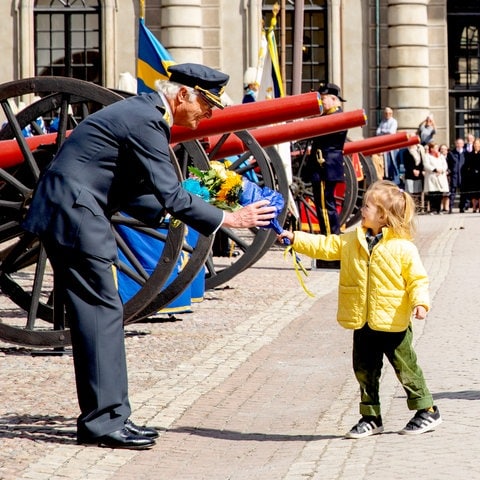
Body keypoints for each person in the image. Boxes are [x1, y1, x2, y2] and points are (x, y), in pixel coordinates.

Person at [22, 63, 276, 450]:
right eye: (205, 104)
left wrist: (179, 211)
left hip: (76, 211)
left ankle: (112, 415)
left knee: (103, 316)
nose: (208, 114)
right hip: (74, 215)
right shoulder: (146, 119)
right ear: (182, 95)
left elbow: (138, 191)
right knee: (100, 316)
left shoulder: (142, 114)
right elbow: (170, 194)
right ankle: (103, 422)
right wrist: (230, 218)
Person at [278, 180, 442, 438]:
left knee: (406, 369)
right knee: (364, 371)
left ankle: (427, 410)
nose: (362, 208)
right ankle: (371, 417)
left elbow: (417, 280)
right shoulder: (352, 240)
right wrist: (295, 238)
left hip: (393, 322)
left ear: (383, 216)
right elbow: (326, 246)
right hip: (362, 320)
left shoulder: (403, 247)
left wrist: (421, 302)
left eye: (367, 206)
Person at [301, 82, 347, 268]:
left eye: (324, 98)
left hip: (324, 167)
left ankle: (331, 253)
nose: (321, 101)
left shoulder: (334, 117)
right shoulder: (330, 116)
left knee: (326, 211)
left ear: (333, 98)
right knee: (325, 209)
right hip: (326, 166)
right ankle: (332, 250)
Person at [423, 141, 449, 214]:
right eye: (436, 148)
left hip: (440, 177)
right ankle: (432, 209)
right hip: (432, 177)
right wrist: (435, 169)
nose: (437, 149)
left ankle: (438, 209)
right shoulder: (427, 156)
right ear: (431, 149)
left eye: (438, 147)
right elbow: (426, 165)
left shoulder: (441, 156)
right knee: (432, 194)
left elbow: (445, 165)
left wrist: (442, 170)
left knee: (439, 194)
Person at [376, 107, 400, 184]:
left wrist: (383, 132)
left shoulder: (394, 121)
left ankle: (396, 181)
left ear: (391, 114)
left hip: (392, 146)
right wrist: (384, 132)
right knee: (386, 164)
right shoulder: (382, 122)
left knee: (394, 163)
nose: (387, 115)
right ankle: (388, 180)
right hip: (385, 146)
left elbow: (391, 132)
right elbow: (377, 132)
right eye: (386, 113)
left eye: (389, 113)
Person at [447, 138, 467, 213]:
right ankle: (450, 208)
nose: (459, 145)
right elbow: (448, 164)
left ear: (463, 144)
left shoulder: (465, 153)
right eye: (457, 143)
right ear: (455, 144)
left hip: (463, 176)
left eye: (460, 143)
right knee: (452, 193)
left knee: (463, 193)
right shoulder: (451, 153)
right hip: (454, 176)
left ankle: (462, 208)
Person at [402, 144, 424, 209]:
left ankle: (418, 207)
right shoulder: (406, 152)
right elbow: (406, 164)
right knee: (410, 192)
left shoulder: (419, 152)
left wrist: (419, 170)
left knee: (417, 192)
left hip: (418, 174)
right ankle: (410, 207)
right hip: (410, 174)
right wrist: (412, 170)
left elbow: (422, 162)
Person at [463, 137, 480, 212]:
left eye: (478, 144)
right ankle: (474, 207)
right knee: (473, 192)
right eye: (475, 144)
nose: (476, 145)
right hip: (472, 176)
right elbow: (467, 165)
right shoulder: (470, 154)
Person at [439, 143, 450, 212]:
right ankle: (441, 206)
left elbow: (452, 165)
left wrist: (448, 171)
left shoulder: (450, 157)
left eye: (444, 149)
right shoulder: (438, 157)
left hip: (448, 176)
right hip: (440, 176)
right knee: (441, 192)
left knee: (447, 193)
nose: (443, 150)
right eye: (442, 149)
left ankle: (446, 207)